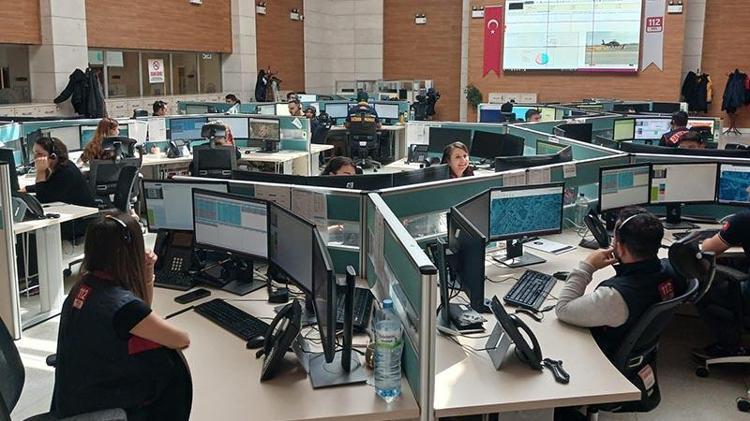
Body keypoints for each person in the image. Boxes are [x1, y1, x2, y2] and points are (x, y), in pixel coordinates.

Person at [53, 212, 191, 420]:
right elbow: (181, 340)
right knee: (171, 377)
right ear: (129, 251)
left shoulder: (85, 284)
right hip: (98, 407)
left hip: (76, 396)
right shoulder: (122, 307)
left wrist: (147, 271)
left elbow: (142, 309)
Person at [555, 207, 682, 358]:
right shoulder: (672, 269)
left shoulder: (614, 297)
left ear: (620, 247)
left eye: (614, 239)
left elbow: (563, 309)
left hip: (600, 358)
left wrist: (587, 266)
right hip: (638, 351)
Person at [693, 210, 750, 359]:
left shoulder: (744, 219)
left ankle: (728, 347)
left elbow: (708, 249)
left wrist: (711, 238)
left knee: (702, 286)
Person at [23, 137, 96, 207]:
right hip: (74, 211)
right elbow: (49, 185)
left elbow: (42, 197)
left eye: (39, 154)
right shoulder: (58, 167)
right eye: (34, 153)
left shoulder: (66, 172)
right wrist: (27, 188)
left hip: (86, 214)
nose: (35, 157)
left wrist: (40, 172)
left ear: (53, 156)